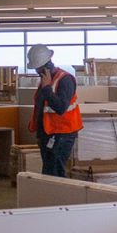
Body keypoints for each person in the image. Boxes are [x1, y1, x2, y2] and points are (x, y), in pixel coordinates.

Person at [26, 44, 82, 177]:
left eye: (37, 68)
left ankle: (60, 197)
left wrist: (47, 89)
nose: (36, 71)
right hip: (48, 134)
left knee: (56, 173)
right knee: (49, 172)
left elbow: (61, 107)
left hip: (62, 133)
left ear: (45, 65)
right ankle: (50, 197)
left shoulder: (65, 80)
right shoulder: (46, 80)